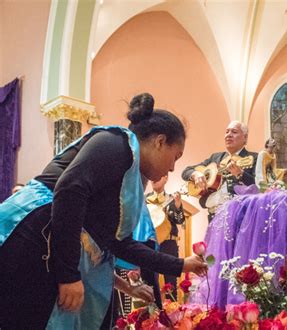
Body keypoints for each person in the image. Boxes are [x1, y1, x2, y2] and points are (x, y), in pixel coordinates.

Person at [0, 93, 207, 329]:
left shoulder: (130, 175)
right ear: (160, 141)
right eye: (175, 156)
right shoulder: (116, 142)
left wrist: (181, 265)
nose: (171, 167)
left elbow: (118, 243)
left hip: (45, 245)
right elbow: (69, 190)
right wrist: (68, 275)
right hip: (31, 238)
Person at [182, 121, 258, 222]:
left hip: (241, 216)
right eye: (227, 132)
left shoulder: (253, 158)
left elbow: (259, 186)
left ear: (245, 138)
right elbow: (186, 171)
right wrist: (195, 174)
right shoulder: (215, 158)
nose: (229, 135)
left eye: (234, 132)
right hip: (214, 216)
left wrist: (241, 174)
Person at [146, 174, 184, 298]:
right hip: (150, 243)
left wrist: (178, 206)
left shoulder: (172, 199)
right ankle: (151, 313)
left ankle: (172, 313)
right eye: (152, 178)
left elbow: (179, 220)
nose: (154, 179)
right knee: (149, 281)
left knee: (171, 282)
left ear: (166, 178)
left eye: (158, 177)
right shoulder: (144, 199)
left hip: (169, 245)